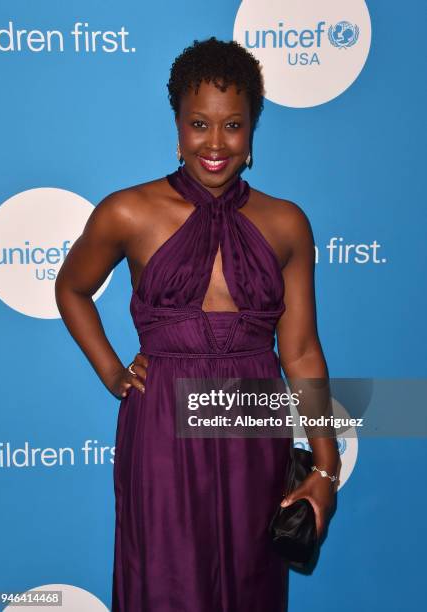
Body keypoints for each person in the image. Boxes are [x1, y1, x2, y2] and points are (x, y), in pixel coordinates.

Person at [55, 37, 339, 612]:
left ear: (253, 130)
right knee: (165, 580)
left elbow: (302, 352)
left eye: (232, 125)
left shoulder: (286, 223)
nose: (215, 143)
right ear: (178, 126)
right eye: (198, 124)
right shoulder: (127, 211)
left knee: (250, 583)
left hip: (254, 424)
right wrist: (112, 372)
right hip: (162, 421)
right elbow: (72, 288)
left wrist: (325, 467)